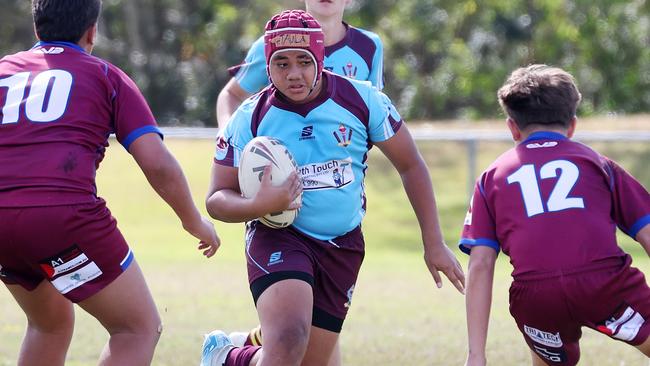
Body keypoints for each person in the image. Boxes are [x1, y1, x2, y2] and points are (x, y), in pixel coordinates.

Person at [202, 10, 465, 366]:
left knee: (311, 361)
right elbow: (216, 199)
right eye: (281, 63)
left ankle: (229, 358)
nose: (293, 73)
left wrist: (433, 242)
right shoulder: (250, 117)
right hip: (279, 237)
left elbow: (410, 164)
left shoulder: (362, 100)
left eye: (303, 61)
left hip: (343, 245)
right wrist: (261, 204)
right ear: (267, 65)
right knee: (288, 343)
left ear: (320, 58)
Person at [0, 1, 220, 365]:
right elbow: (158, 164)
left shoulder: (4, 70)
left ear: (38, 29)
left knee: (48, 324)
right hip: (61, 217)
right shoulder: (105, 75)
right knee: (137, 327)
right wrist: (194, 221)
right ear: (92, 31)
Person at [461, 64, 650, 366]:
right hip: (605, 284)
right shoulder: (597, 164)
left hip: (536, 296)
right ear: (572, 125)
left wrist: (476, 355)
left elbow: (481, 264)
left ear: (512, 127)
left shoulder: (491, 177)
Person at [215, 0, 384, 129]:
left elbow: (376, 111)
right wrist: (226, 135)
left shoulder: (369, 45)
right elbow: (231, 94)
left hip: (344, 168)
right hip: (282, 168)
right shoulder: (273, 42)